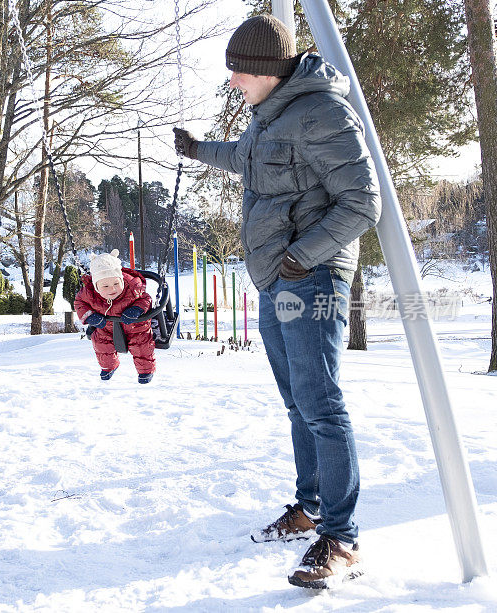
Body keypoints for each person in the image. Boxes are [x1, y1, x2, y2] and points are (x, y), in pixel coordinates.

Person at [174, 14, 381, 589]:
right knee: (298, 403)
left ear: (268, 69)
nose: (234, 81)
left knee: (321, 405)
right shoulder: (268, 119)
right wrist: (197, 150)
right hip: (275, 277)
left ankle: (342, 538)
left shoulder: (323, 113)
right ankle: (309, 506)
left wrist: (303, 256)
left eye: (239, 71)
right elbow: (246, 160)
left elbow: (363, 204)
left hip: (309, 278)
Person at [74, 249, 155, 384]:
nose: (112, 289)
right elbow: (79, 303)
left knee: (141, 345)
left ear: (122, 280)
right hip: (106, 326)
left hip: (135, 326)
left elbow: (146, 299)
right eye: (105, 286)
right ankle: (109, 366)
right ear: (96, 286)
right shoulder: (89, 293)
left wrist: (137, 309)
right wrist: (89, 316)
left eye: (116, 284)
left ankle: (146, 371)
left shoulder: (132, 287)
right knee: (100, 343)